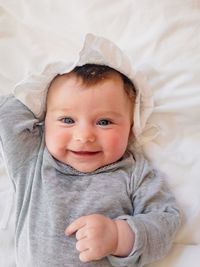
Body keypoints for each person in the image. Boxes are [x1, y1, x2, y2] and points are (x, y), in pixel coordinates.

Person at [0, 64, 180, 267]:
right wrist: (42, 84)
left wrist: (119, 236)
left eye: (104, 122)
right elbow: (6, 112)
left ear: (131, 129)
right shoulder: (32, 158)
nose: (84, 136)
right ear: (45, 122)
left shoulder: (134, 173)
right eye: (67, 120)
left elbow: (165, 222)